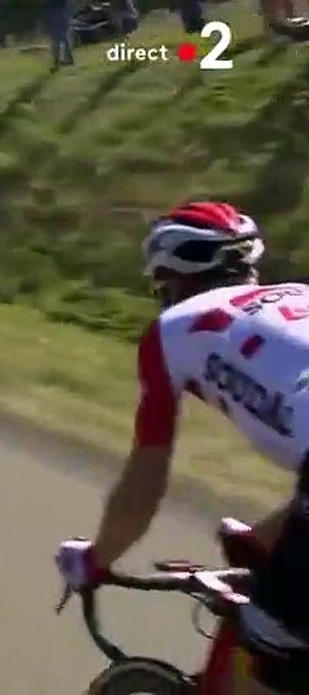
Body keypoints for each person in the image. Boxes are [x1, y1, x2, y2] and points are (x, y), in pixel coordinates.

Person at [52, 201, 309, 695]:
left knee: (267, 657)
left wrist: (96, 559)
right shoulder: (296, 298)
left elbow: (143, 488)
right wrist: (264, 539)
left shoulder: (174, 331)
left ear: (170, 278)